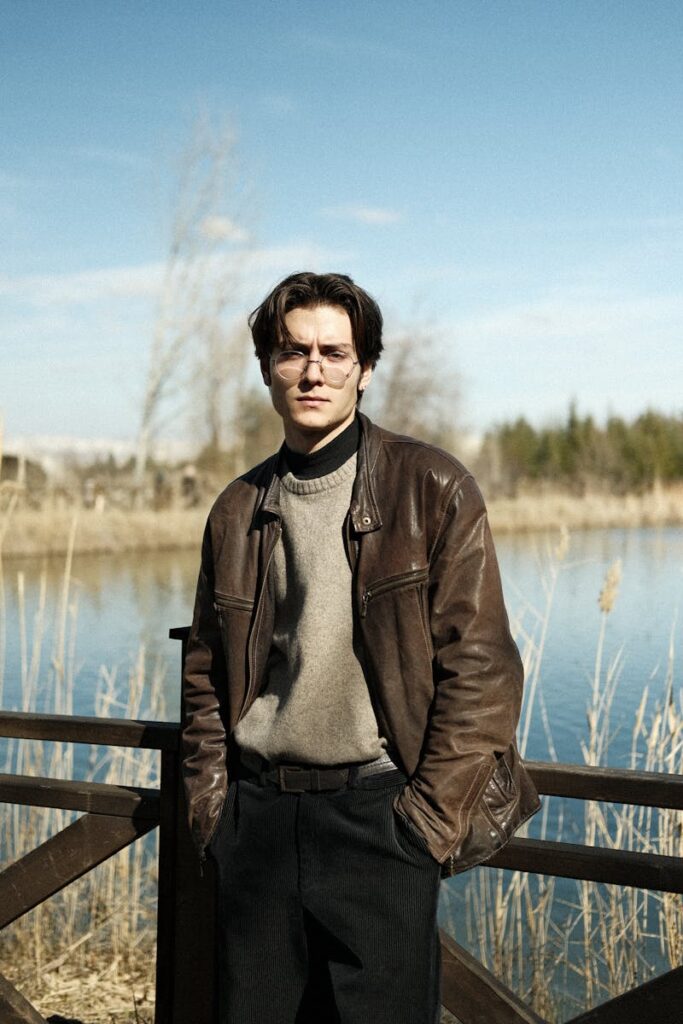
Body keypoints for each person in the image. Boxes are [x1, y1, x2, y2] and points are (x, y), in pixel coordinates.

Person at [181, 271, 540, 1024]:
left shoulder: (430, 486)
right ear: (267, 367)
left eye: (333, 353)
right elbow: (206, 671)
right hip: (257, 822)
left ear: (364, 369)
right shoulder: (237, 509)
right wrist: (212, 811)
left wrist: (423, 824)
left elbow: (480, 669)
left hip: (381, 820)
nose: (313, 369)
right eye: (293, 351)